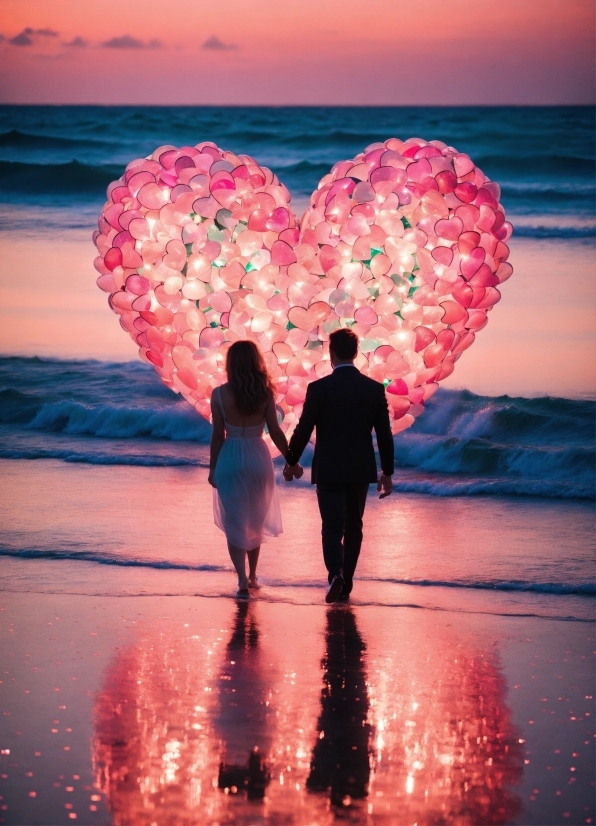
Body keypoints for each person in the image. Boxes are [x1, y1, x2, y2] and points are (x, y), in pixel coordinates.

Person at [284, 328, 394, 603]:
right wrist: (387, 472)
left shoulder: (319, 389)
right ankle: (347, 582)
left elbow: (303, 428)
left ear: (331, 355)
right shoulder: (373, 389)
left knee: (331, 526)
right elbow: (384, 434)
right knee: (354, 525)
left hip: (329, 468)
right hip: (359, 469)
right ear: (356, 354)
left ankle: (335, 574)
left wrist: (291, 460)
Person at [209, 340, 301, 598]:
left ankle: (240, 579)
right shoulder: (264, 393)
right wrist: (291, 460)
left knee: (234, 520)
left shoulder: (218, 394)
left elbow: (217, 435)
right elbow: (275, 431)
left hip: (230, 457)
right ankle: (252, 576)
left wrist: (212, 467)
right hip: (258, 457)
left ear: (230, 363)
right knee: (256, 518)